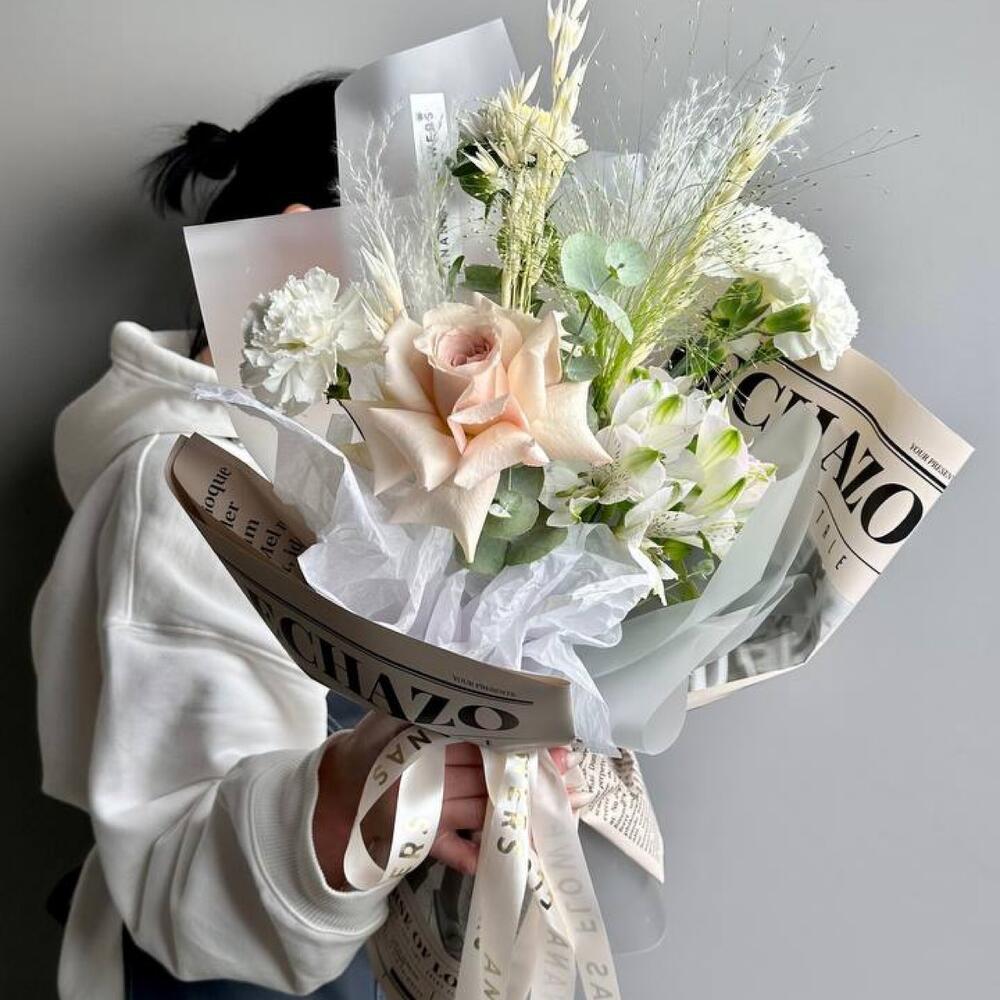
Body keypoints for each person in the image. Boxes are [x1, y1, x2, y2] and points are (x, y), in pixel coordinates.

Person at [32, 74, 583, 1000]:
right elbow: (179, 872)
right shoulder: (188, 486)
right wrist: (349, 800)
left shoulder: (355, 466)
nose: (472, 327)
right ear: (305, 247)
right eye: (447, 267)